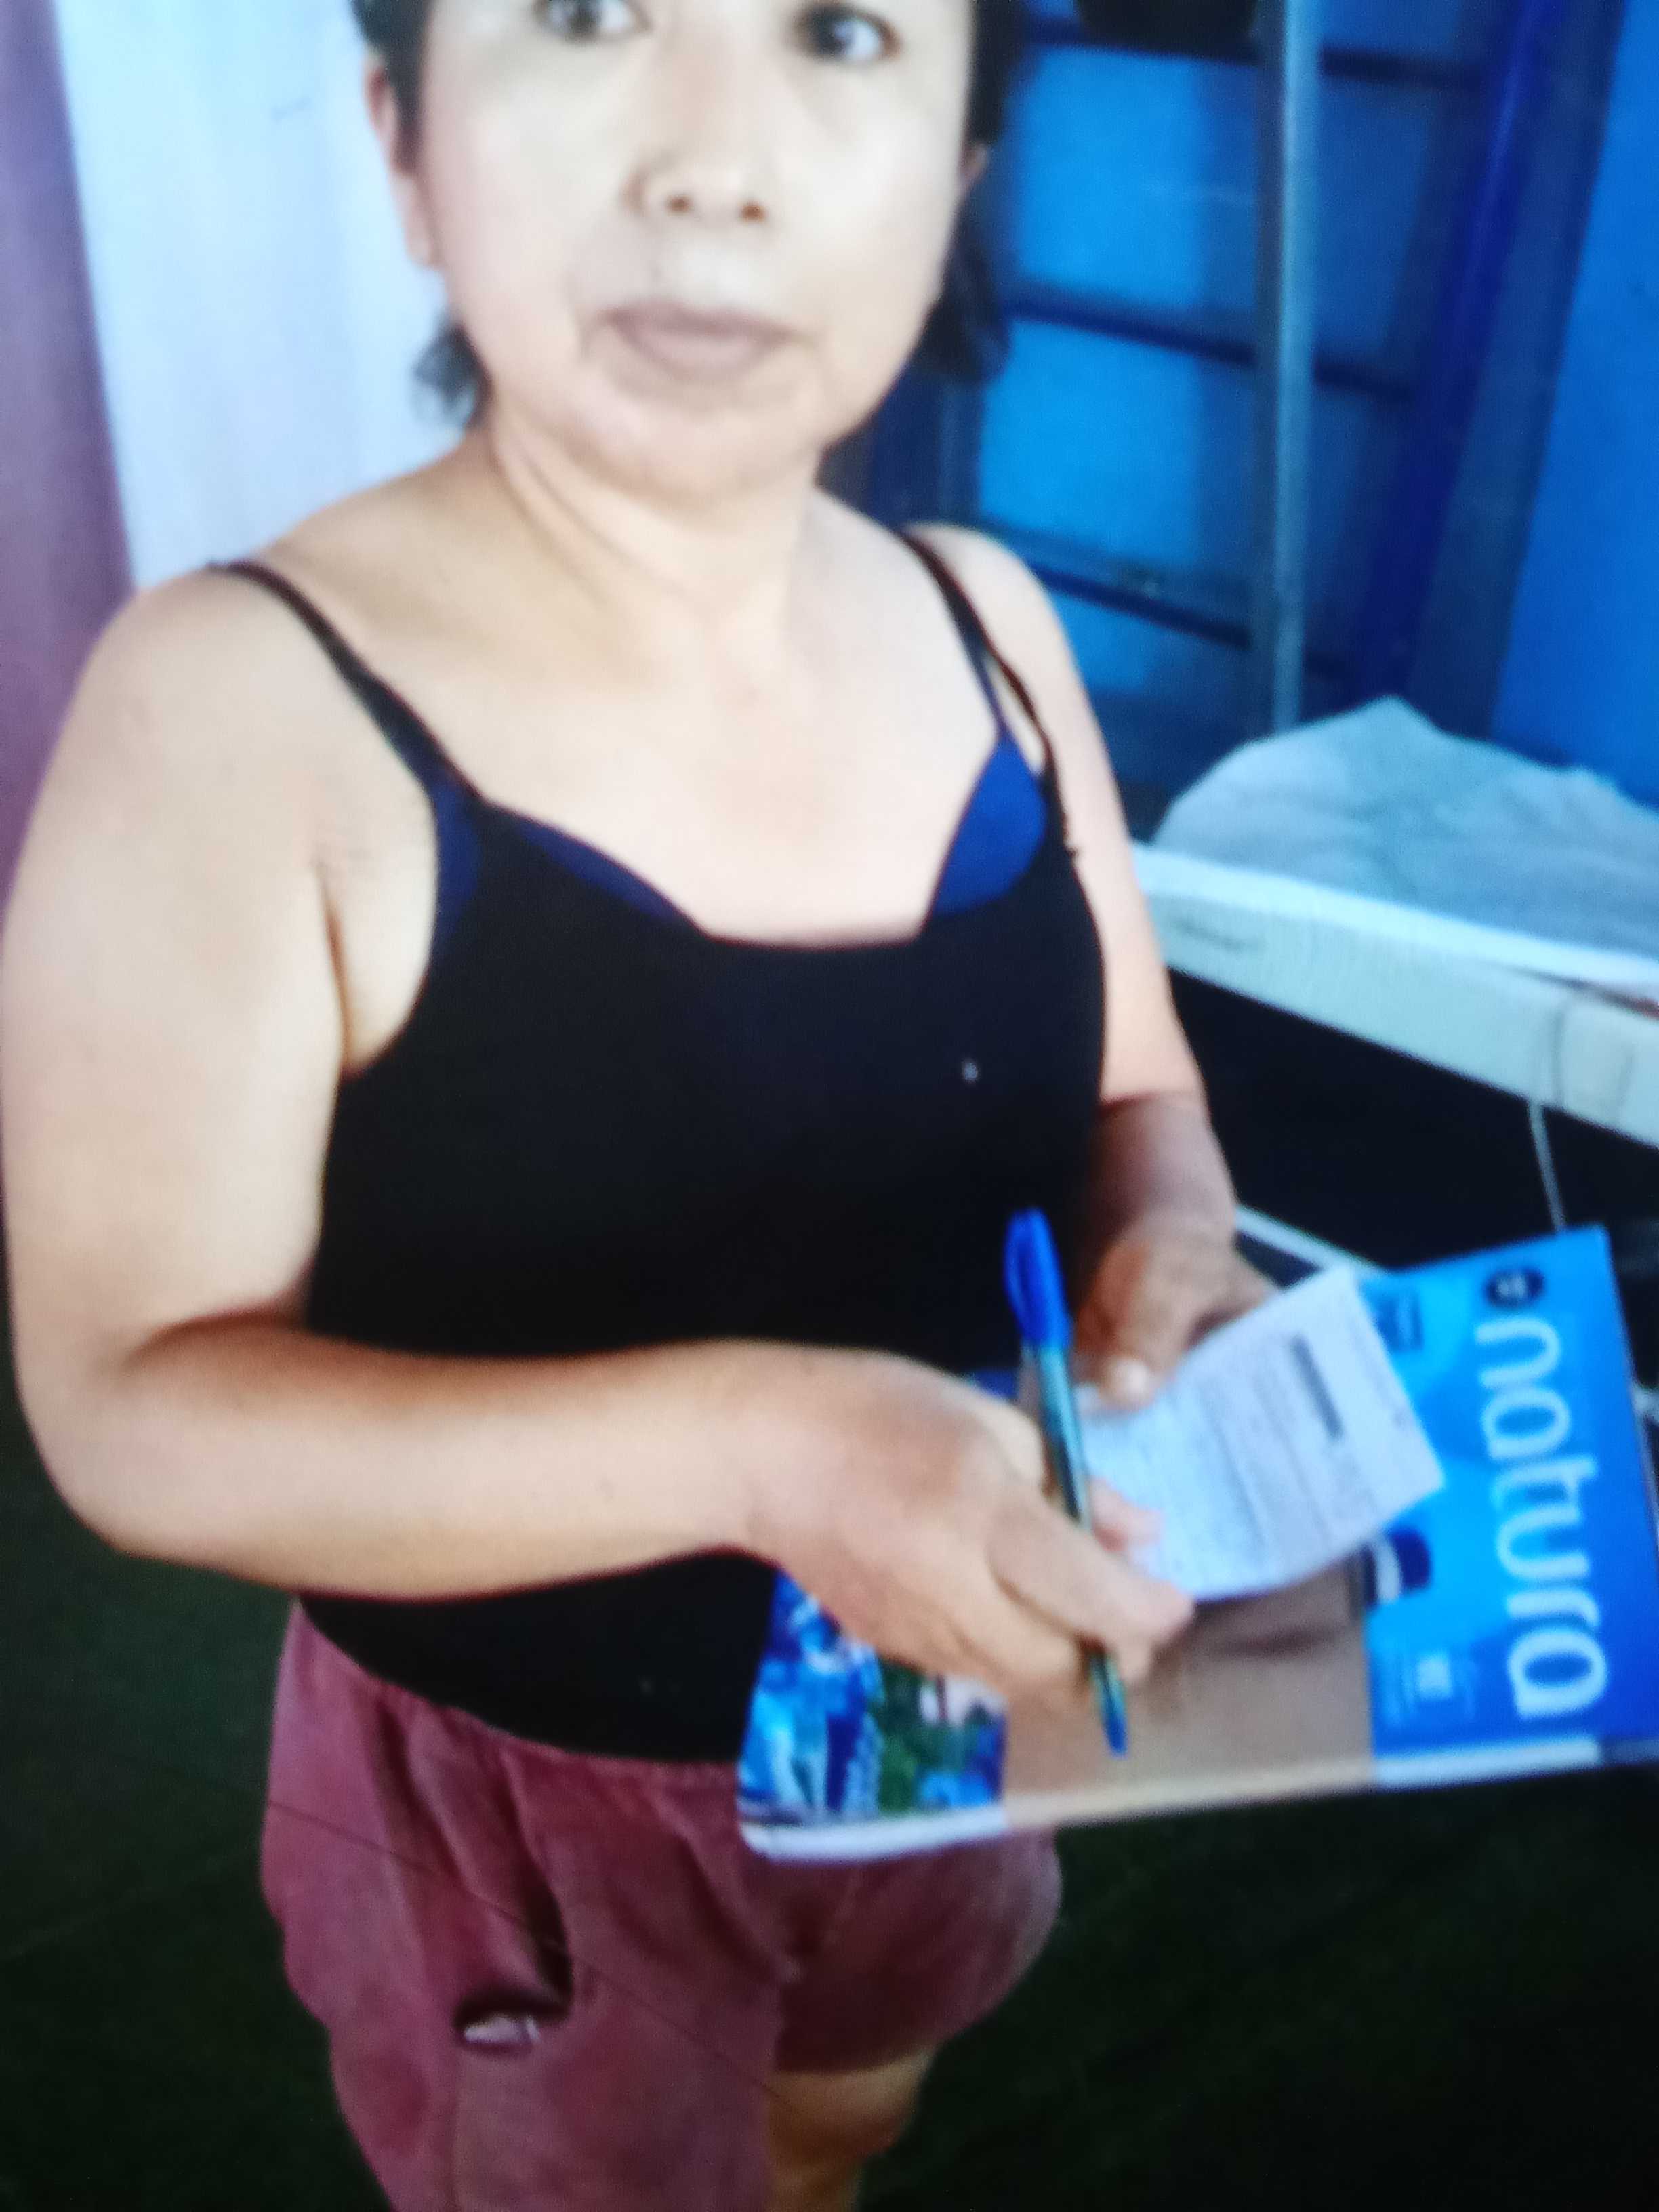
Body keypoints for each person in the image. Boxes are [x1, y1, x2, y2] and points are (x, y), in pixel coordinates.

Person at [0, 0, 1267, 2203]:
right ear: (405, 139)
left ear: (961, 170)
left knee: (842, 2115)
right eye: (588, 14)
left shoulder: (988, 624)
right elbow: (131, 1410)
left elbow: (1137, 1086)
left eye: (842, 33)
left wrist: (1175, 1240)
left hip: (933, 1712)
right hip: (525, 1799)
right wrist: (771, 1451)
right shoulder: (236, 707)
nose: (713, 163)